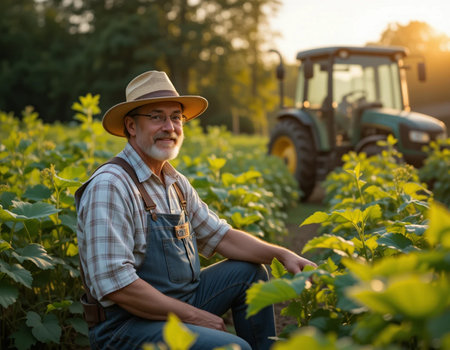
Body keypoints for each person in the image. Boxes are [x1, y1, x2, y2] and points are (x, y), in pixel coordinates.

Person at [75, 70, 317, 350]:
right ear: (131, 126)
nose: (170, 127)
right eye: (156, 117)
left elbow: (222, 236)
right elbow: (115, 285)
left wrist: (282, 254)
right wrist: (194, 316)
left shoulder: (175, 183)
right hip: (125, 326)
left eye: (176, 117)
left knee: (250, 273)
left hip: (175, 306)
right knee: (232, 348)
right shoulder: (111, 185)